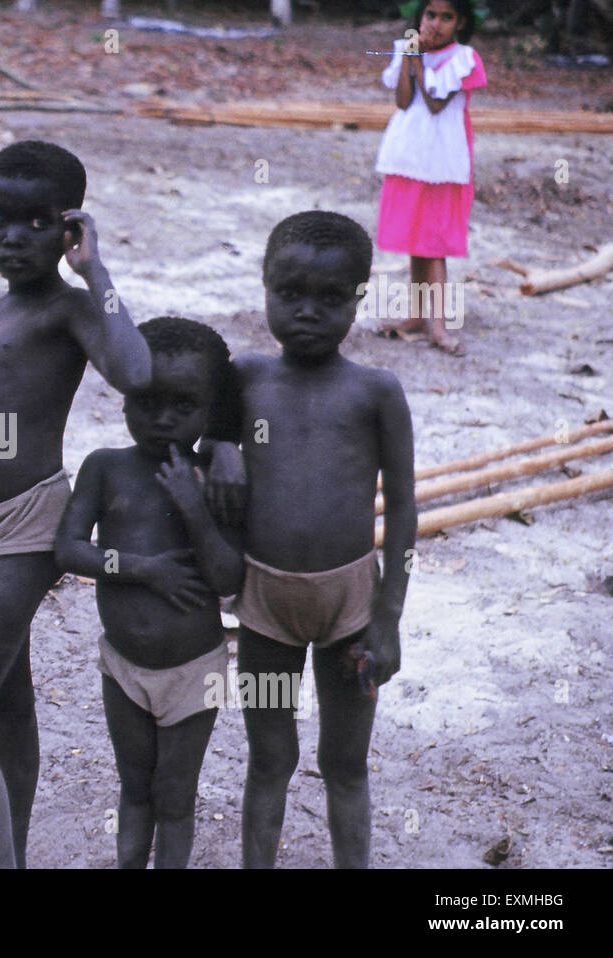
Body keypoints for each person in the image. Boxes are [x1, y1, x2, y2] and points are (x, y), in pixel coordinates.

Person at [0, 140, 152, 869]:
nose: (12, 238)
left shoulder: (72, 310)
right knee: (6, 708)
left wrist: (97, 269)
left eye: (36, 224)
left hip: (29, 523)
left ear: (69, 229)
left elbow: (136, 371)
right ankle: (9, 850)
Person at [210, 211, 416, 869]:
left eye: (331, 299)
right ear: (263, 286)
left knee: (345, 763)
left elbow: (406, 512)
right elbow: (193, 425)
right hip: (264, 602)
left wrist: (388, 621)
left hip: (352, 604)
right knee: (269, 758)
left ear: (360, 297)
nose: (307, 313)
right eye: (289, 294)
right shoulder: (242, 379)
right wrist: (220, 447)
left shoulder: (376, 392)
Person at [55, 316, 242, 868]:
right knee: (134, 788)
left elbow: (228, 580)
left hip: (194, 670)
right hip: (124, 666)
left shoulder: (219, 477)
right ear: (123, 398)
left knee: (176, 798)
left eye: (184, 407)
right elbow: (68, 548)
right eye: (148, 402)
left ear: (211, 412)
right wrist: (141, 568)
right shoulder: (106, 468)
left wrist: (195, 510)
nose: (162, 419)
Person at [374, 0, 486, 356]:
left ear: (460, 23)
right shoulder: (408, 51)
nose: (436, 23)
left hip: (442, 161)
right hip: (410, 155)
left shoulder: (463, 59)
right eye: (430, 15)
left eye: (446, 17)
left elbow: (436, 101)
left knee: (434, 243)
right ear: (419, 18)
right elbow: (404, 102)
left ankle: (439, 326)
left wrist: (419, 62)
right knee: (415, 239)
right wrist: (409, 58)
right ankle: (416, 315)